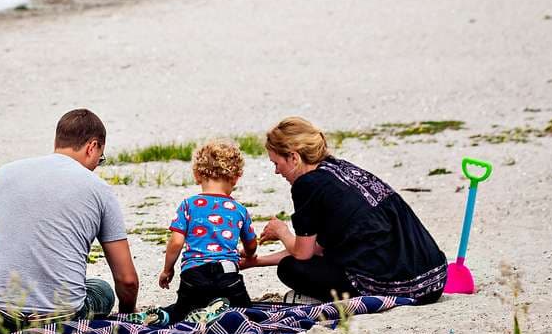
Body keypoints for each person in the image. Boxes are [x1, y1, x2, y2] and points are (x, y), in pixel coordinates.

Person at [0, 108, 139, 334]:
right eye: (99, 159)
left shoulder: (4, 174)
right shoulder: (100, 190)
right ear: (92, 146)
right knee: (102, 289)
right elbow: (127, 280)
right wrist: (128, 312)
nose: (96, 164)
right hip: (65, 320)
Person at [247, 117, 446, 304]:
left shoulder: (307, 184)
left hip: (398, 286)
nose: (276, 171)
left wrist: (281, 231)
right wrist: (256, 261)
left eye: (276, 163)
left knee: (290, 269)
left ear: (293, 157)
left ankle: (321, 298)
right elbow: (317, 248)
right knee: (313, 259)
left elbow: (302, 254)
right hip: (434, 279)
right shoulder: (340, 168)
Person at [157, 139, 257, 322]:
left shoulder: (188, 205)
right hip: (228, 275)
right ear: (236, 177)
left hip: (193, 276)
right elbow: (251, 244)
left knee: (182, 313)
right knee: (245, 312)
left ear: (197, 174)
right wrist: (248, 254)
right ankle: (219, 308)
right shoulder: (239, 210)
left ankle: (167, 316)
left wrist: (167, 270)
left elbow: (177, 242)